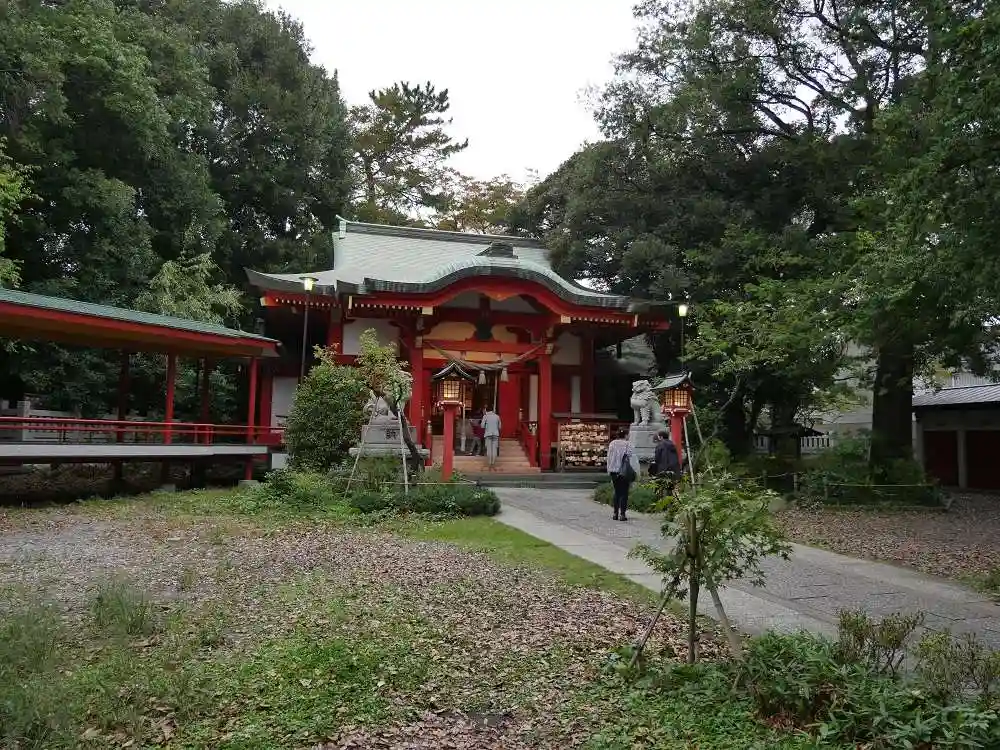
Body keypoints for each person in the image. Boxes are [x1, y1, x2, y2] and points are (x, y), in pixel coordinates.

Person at [606, 428, 640, 521]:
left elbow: (609, 457)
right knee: (624, 493)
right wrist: (636, 471)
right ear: (625, 435)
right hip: (624, 471)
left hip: (613, 470)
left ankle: (615, 513)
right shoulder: (628, 444)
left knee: (617, 491)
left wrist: (609, 469)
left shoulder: (612, 443)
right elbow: (632, 459)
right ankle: (622, 514)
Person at [649, 429, 681, 498]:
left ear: (661, 437)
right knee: (672, 486)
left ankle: (661, 500)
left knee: (661, 486)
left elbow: (657, 459)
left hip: (664, 468)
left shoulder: (660, 445)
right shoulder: (672, 444)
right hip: (674, 468)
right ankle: (672, 501)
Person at [481, 406, 502, 470]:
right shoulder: (497, 416)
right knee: (494, 450)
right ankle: (493, 463)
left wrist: (486, 426)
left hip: (488, 434)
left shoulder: (485, 416)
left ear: (486, 410)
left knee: (489, 450)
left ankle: (489, 463)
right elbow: (500, 427)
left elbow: (482, 426)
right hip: (495, 434)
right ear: (492, 410)